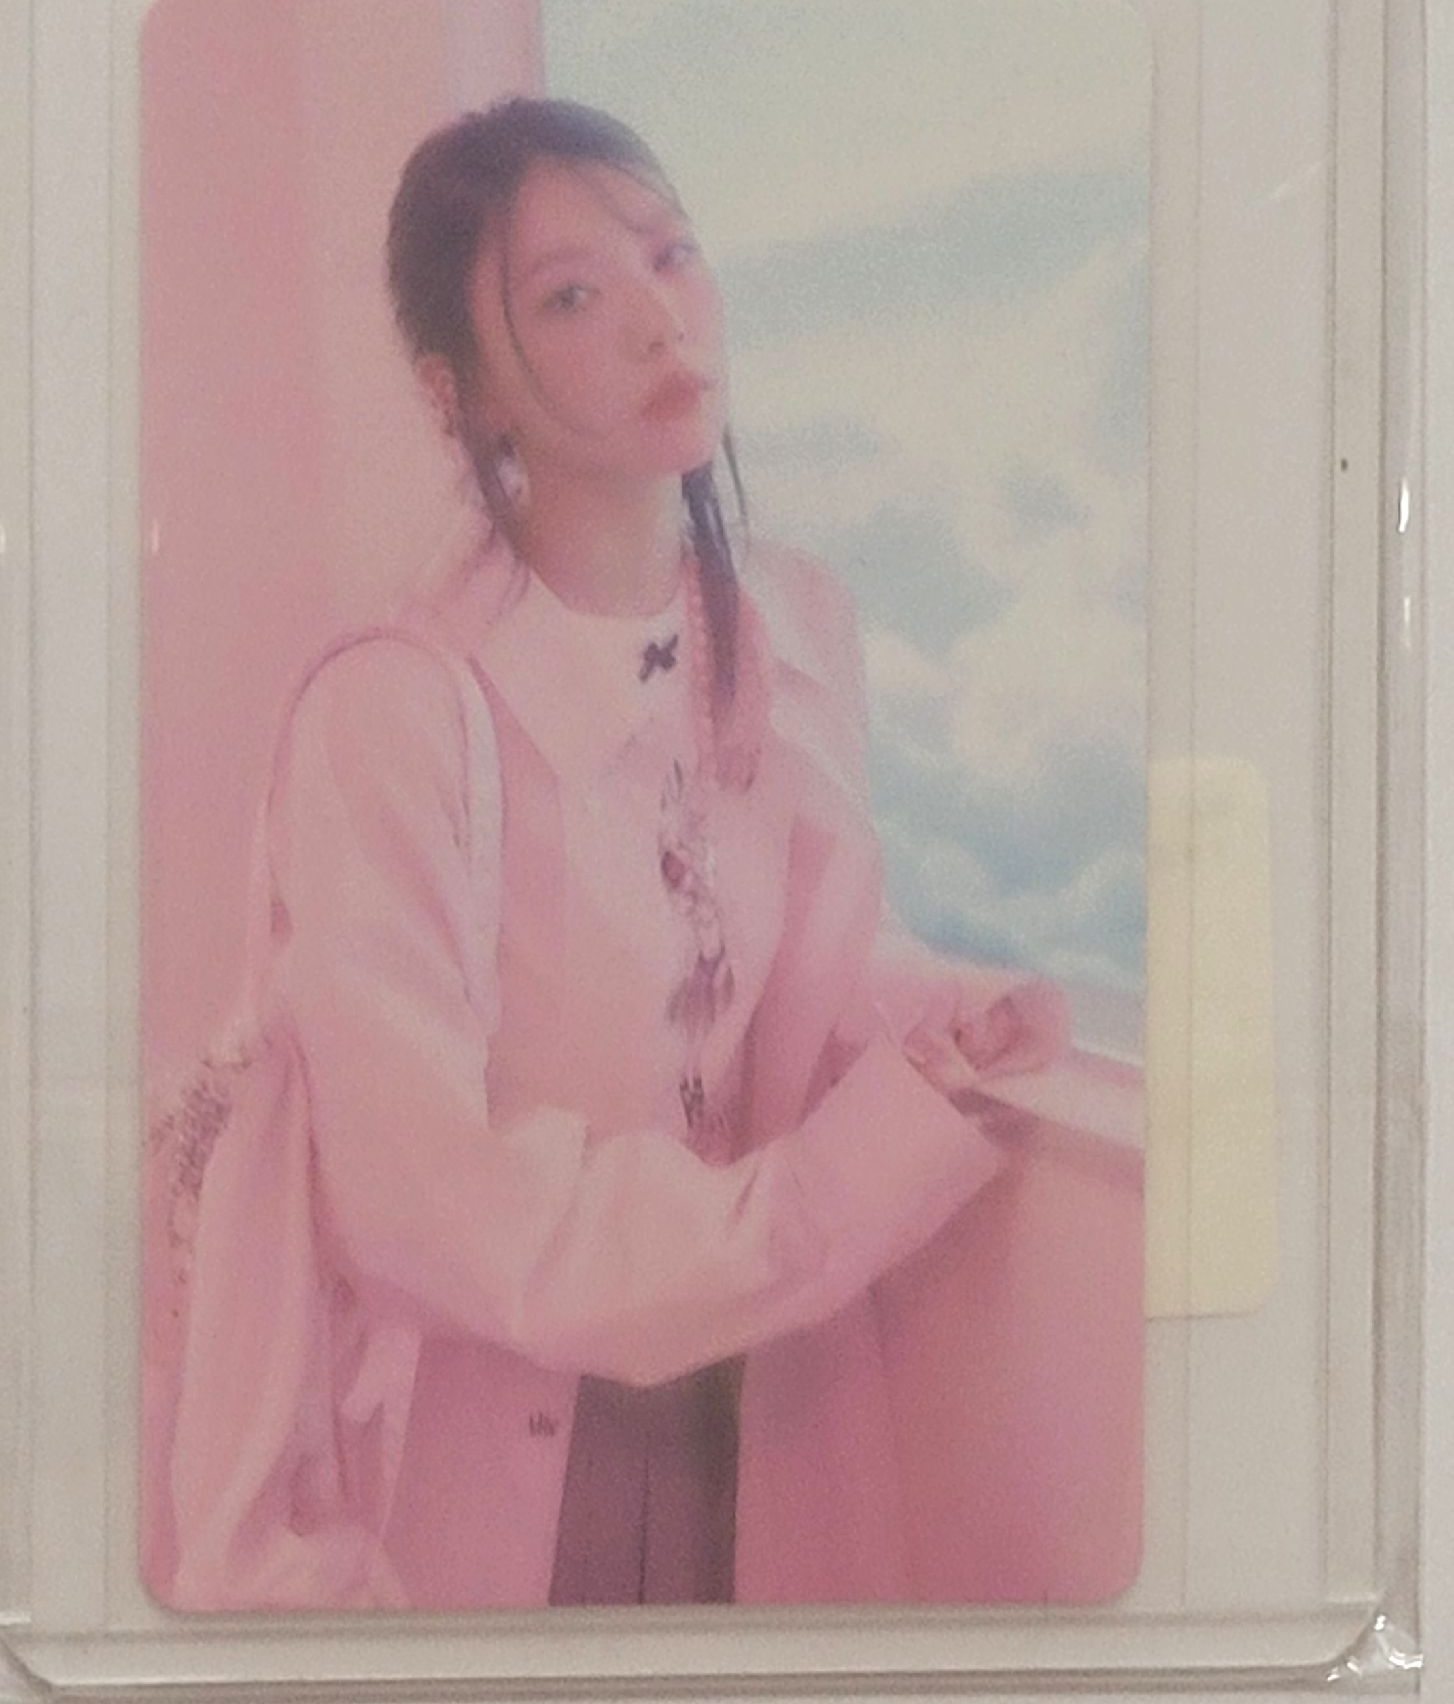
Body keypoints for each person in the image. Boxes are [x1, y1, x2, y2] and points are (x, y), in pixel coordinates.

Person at [142, 95, 1070, 1614]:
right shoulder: (393, 714)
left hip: (744, 1406)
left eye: (669, 252)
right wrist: (814, 1205)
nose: (654, 315)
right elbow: (428, 1205)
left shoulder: (788, 630)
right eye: (571, 295)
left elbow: (765, 966)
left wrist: (942, 1020)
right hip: (492, 1446)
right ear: (458, 396)